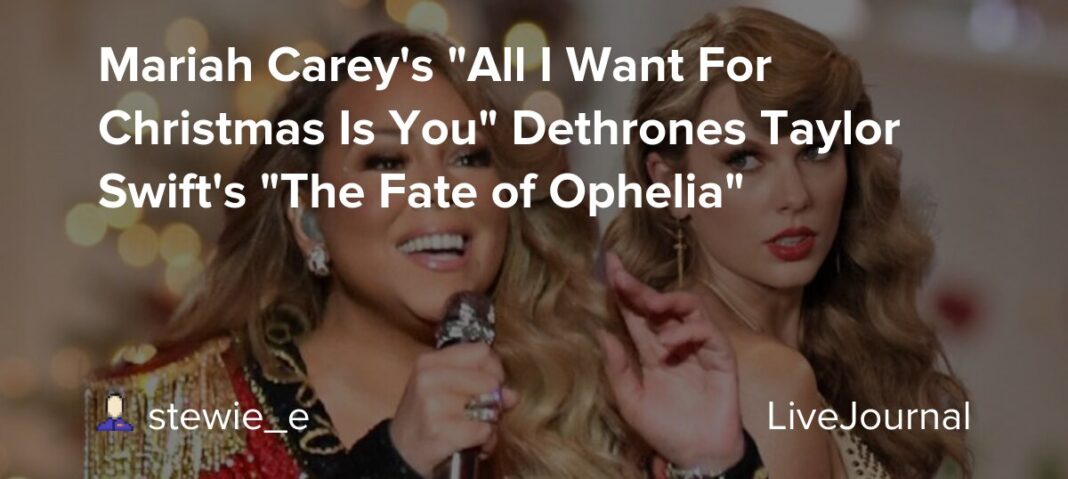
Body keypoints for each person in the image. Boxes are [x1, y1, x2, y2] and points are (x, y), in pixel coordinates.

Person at [86, 31, 646, 478]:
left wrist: (694, 459)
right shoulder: (150, 413)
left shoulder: (583, 402)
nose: (439, 189)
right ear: (310, 221)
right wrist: (393, 462)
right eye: (387, 161)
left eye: (469, 158)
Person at [603, 7, 971, 478]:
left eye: (815, 150)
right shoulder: (766, 380)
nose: (796, 196)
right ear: (672, 185)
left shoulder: (788, 358)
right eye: (744, 159)